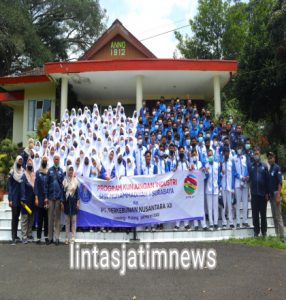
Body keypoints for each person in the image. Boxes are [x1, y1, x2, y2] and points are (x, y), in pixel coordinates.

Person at [248, 147, 269, 237]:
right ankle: (256, 231)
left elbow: (267, 180)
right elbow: (250, 179)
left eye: (257, 153)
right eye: (255, 153)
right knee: (255, 214)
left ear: (260, 154)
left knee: (263, 214)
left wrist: (267, 193)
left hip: (263, 194)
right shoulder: (251, 166)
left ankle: (264, 232)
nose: (256, 155)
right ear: (253, 155)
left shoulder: (264, 166)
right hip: (254, 194)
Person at [45, 154, 64, 245]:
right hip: (50, 197)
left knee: (57, 218)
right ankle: (50, 238)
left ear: (59, 160)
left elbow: (63, 186)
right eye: (55, 159)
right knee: (50, 218)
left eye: (58, 159)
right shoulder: (50, 171)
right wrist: (46, 197)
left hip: (58, 198)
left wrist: (62, 199)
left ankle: (56, 238)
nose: (56, 160)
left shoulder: (61, 171)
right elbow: (46, 185)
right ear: (53, 160)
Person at [267, 152, 284, 242]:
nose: (270, 159)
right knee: (274, 216)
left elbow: (280, 183)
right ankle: (277, 235)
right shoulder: (270, 169)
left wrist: (278, 195)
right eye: (269, 158)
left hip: (276, 195)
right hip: (271, 196)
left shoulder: (277, 168)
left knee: (278, 216)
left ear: (274, 158)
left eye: (271, 157)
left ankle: (281, 237)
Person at [8, 156, 24, 245]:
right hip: (14, 198)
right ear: (16, 161)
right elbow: (9, 186)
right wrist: (10, 199)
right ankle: (13, 237)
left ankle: (17, 235)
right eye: (19, 161)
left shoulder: (23, 171)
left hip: (21, 198)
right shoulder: (12, 172)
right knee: (14, 218)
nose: (20, 162)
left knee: (19, 218)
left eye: (21, 161)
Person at [233, 143, 250, 228]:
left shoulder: (245, 158)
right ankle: (238, 221)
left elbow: (247, 168)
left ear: (242, 148)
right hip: (237, 183)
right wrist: (240, 177)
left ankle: (245, 221)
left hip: (245, 183)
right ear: (236, 148)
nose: (239, 149)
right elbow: (234, 171)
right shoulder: (234, 158)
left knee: (245, 203)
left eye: (240, 147)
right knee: (238, 203)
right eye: (238, 147)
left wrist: (246, 177)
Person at [62, 165, 80, 244]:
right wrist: (62, 202)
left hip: (73, 203)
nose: (70, 172)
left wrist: (78, 202)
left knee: (73, 221)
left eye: (72, 170)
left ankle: (73, 237)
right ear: (67, 171)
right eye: (69, 170)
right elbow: (63, 193)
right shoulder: (64, 181)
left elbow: (77, 193)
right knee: (67, 221)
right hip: (66, 203)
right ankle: (66, 238)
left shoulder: (75, 181)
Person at [205, 149, 221, 230]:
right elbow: (205, 177)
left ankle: (216, 223)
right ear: (207, 156)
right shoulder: (206, 165)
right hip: (208, 189)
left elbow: (219, 176)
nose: (210, 156)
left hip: (215, 188)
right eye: (209, 155)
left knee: (215, 207)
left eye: (211, 155)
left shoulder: (217, 165)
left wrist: (219, 186)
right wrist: (206, 172)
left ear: (213, 155)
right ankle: (211, 224)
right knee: (210, 207)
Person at [20, 158, 35, 244]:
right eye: (28, 164)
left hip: (32, 200)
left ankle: (29, 234)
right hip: (25, 200)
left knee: (31, 218)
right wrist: (22, 199)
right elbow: (22, 188)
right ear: (26, 165)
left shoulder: (33, 175)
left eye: (31, 164)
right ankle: (24, 236)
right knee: (24, 219)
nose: (30, 165)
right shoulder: (24, 175)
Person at [34, 156, 49, 244]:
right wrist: (36, 197)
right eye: (43, 160)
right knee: (40, 219)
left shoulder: (48, 172)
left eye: (45, 160)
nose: (44, 161)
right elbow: (35, 185)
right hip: (39, 198)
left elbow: (49, 186)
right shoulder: (37, 172)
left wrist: (48, 197)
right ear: (41, 161)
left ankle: (46, 237)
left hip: (46, 199)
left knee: (46, 219)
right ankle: (39, 238)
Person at [220, 148, 235, 229]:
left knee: (230, 205)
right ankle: (224, 222)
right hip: (223, 187)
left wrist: (232, 187)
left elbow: (233, 175)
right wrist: (221, 173)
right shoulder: (221, 163)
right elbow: (219, 175)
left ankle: (231, 222)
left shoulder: (231, 163)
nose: (226, 154)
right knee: (223, 205)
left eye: (227, 152)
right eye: (225, 152)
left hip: (229, 187)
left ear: (229, 153)